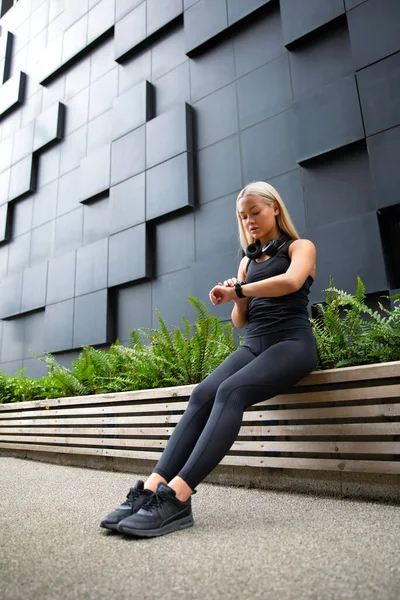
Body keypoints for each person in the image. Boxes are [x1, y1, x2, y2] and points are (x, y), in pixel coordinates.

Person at [100, 181, 318, 538]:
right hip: (254, 343)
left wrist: (240, 289)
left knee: (231, 391)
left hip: (291, 343)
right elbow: (242, 321)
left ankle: (178, 498)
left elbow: (292, 282)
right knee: (203, 392)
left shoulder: (300, 247)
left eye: (255, 212)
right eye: (243, 216)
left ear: (275, 208)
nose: (249, 221)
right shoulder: (248, 261)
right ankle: (153, 488)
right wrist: (237, 300)